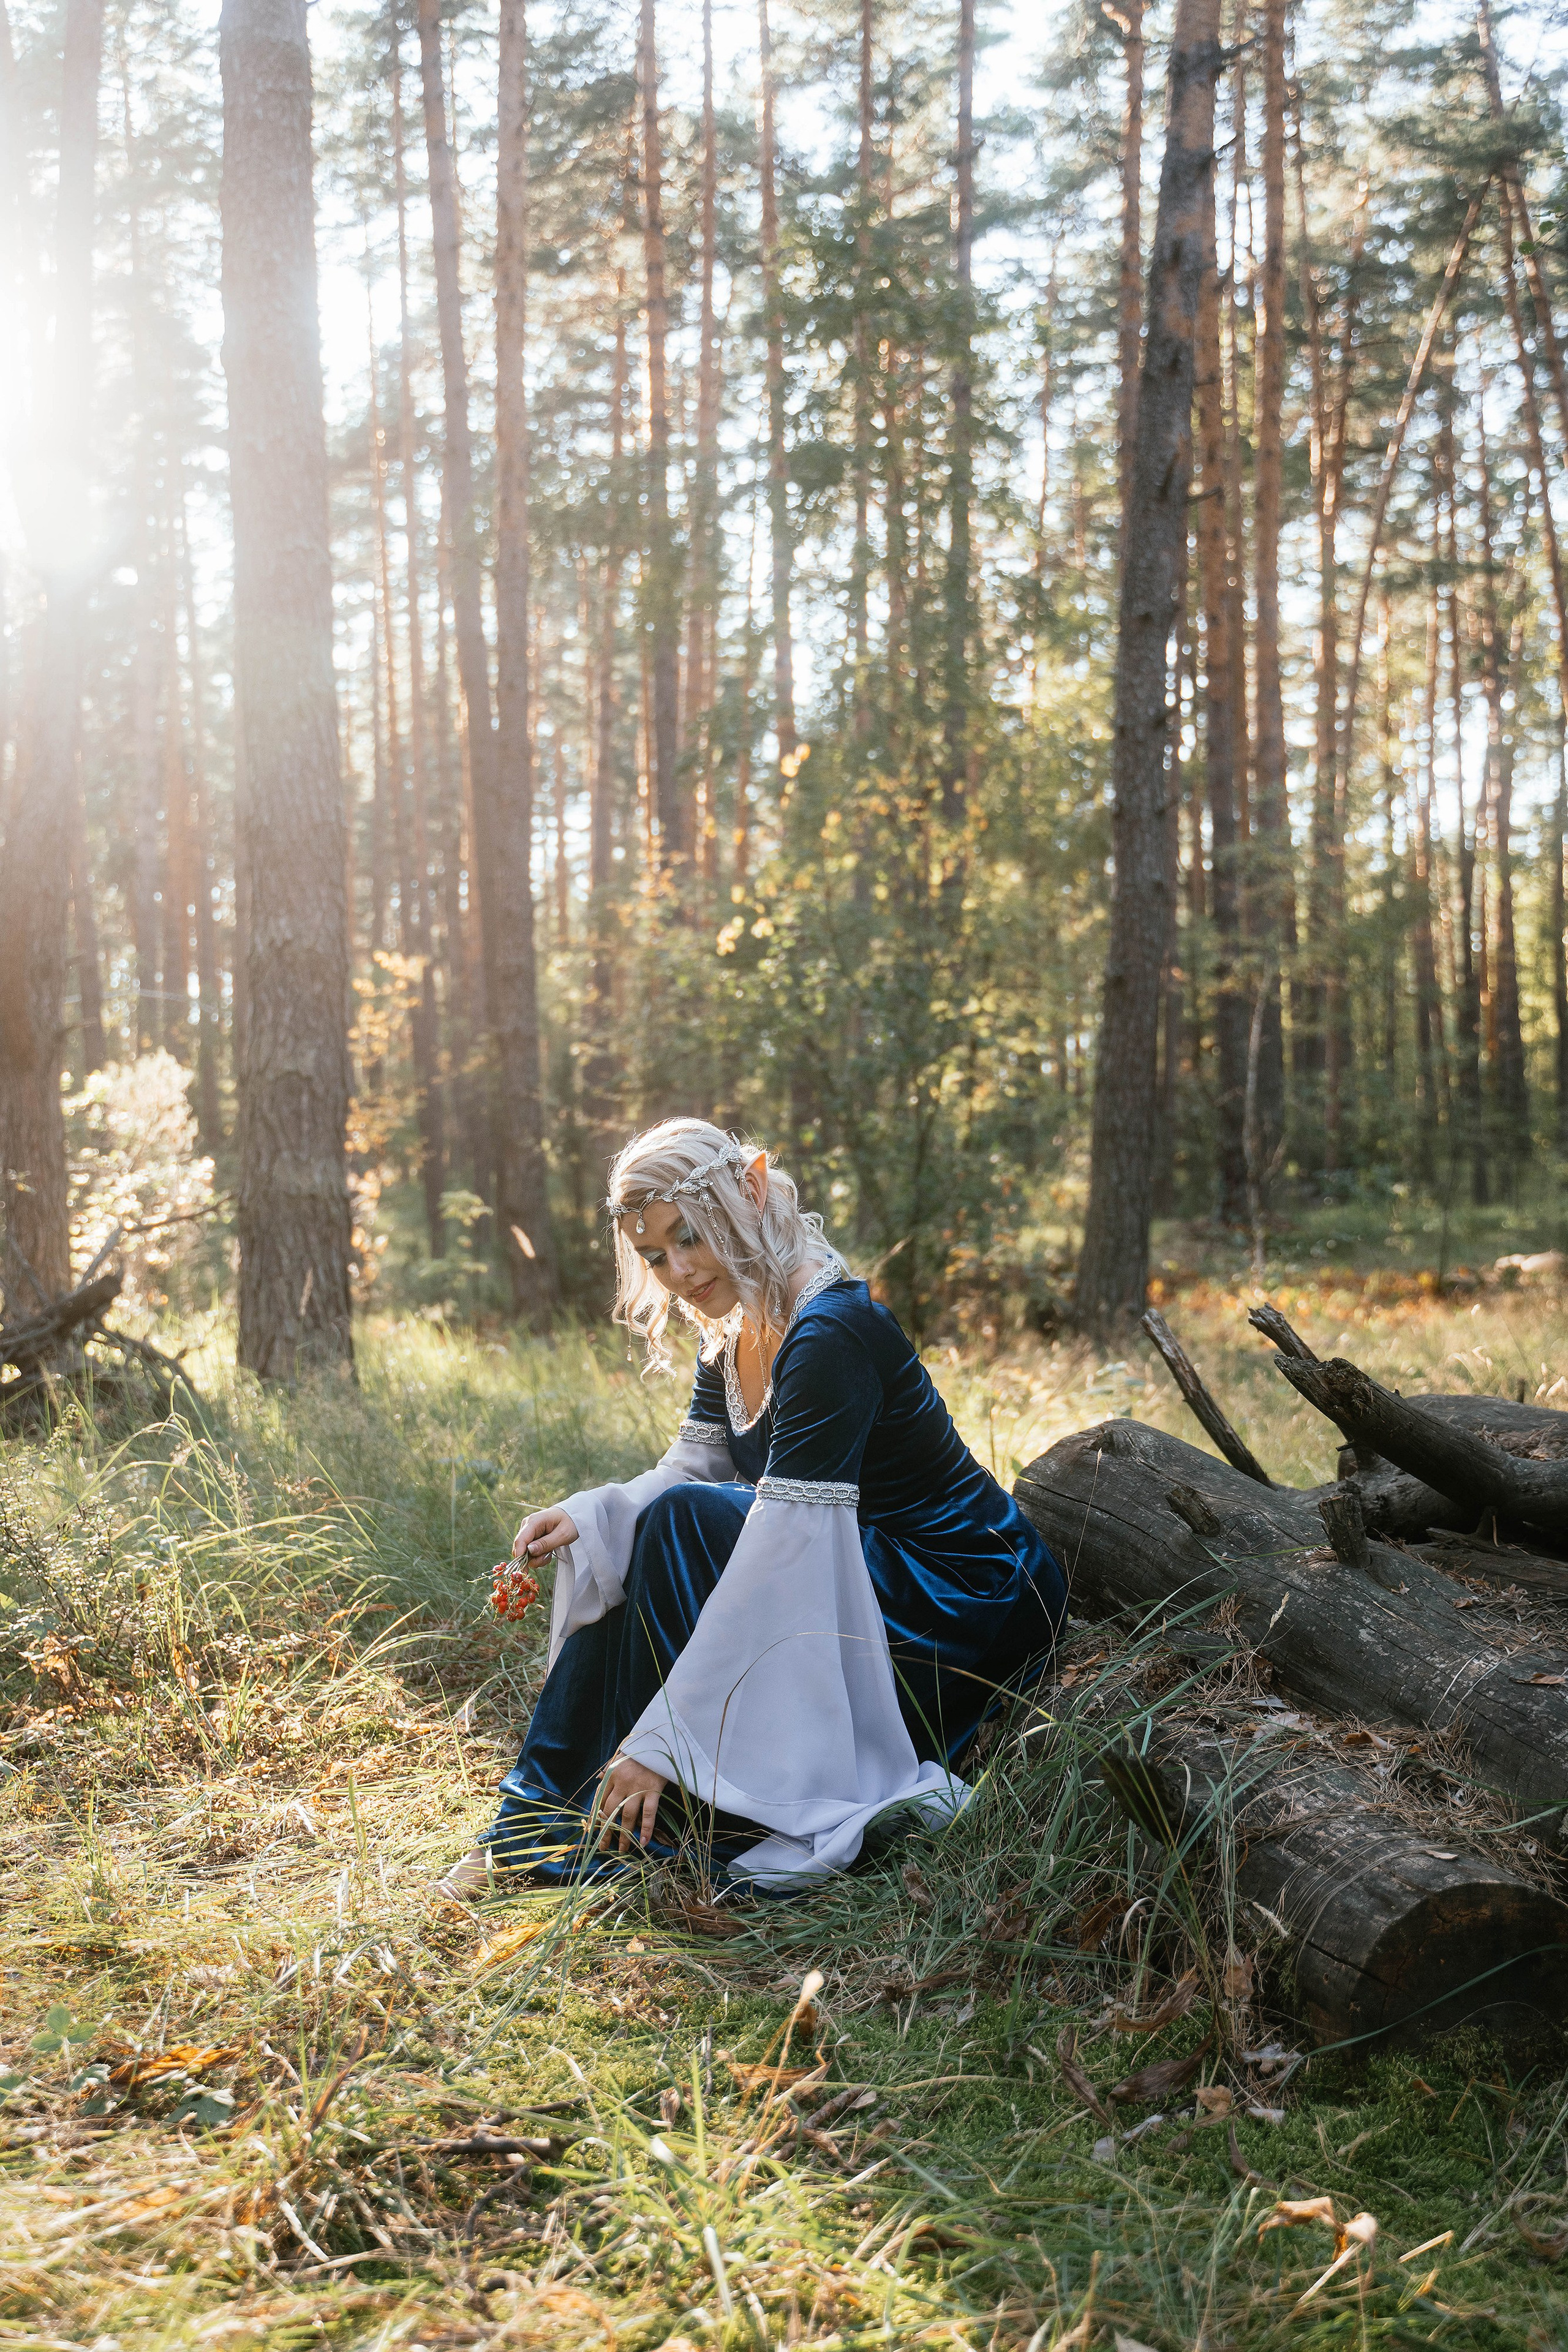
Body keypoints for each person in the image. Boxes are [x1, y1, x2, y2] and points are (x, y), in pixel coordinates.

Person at [437, 1118, 1066, 1899]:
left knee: (686, 1524)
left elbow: (781, 1542)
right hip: (851, 1561)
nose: (678, 1270)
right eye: (654, 1255)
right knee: (649, 1522)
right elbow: (695, 1465)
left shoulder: (832, 1330)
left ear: (754, 1188)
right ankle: (534, 1816)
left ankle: (631, 1809)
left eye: (690, 1237)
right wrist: (596, 1512)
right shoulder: (735, 1327)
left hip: (958, 1594)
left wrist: (661, 1738)